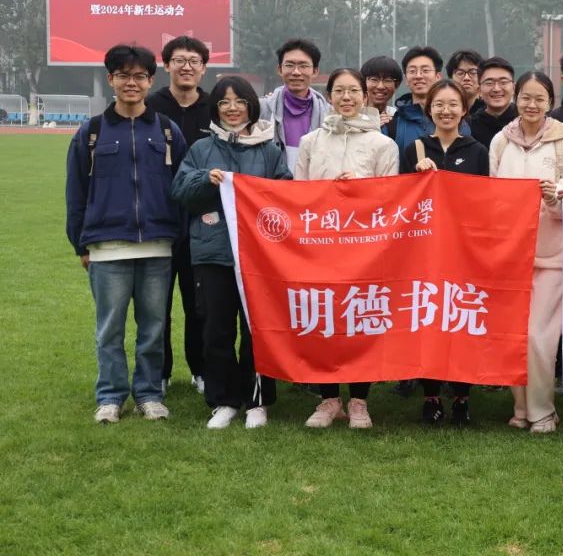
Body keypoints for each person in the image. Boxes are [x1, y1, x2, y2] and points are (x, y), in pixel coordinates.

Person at [66, 44, 189, 424]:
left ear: (151, 80)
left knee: (153, 329)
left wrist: (178, 236)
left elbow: (183, 188)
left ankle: (149, 394)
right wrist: (80, 244)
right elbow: (76, 193)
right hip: (107, 248)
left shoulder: (167, 131)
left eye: (139, 76)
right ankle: (110, 396)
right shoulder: (91, 132)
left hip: (157, 247)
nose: (131, 83)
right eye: (123, 75)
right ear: (111, 79)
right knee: (109, 331)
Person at [172, 76, 291, 429]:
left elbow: (285, 194)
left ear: (252, 105)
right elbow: (179, 190)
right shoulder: (201, 149)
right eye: (224, 102)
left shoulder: (269, 150)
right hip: (213, 253)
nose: (233, 108)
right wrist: (203, 180)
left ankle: (257, 401)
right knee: (216, 329)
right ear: (216, 108)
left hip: (259, 256)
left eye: (239, 101)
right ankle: (224, 400)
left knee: (258, 331)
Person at [294, 68, 399, 429]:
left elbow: (391, 198)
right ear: (329, 96)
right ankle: (328, 399)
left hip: (365, 249)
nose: (347, 97)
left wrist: (362, 188)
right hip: (320, 245)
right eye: (339, 91)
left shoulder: (382, 144)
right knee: (324, 319)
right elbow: (299, 194)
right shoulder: (311, 142)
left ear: (365, 96)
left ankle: (359, 400)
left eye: (354, 91)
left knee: (361, 321)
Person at [490, 70, 563, 433]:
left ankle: (543, 411)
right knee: (513, 334)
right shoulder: (501, 141)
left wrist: (554, 198)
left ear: (550, 102)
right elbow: (492, 196)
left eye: (539, 99)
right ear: (516, 99)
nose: (531, 105)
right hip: (511, 254)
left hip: (552, 255)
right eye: (525, 98)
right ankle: (521, 408)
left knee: (539, 338)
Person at [400, 79, 489, 425]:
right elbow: (400, 200)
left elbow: (485, 200)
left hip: (464, 250)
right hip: (425, 251)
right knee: (429, 321)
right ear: (429, 109)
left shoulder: (478, 151)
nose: (446, 111)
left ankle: (463, 397)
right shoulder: (415, 150)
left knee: (462, 321)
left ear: (464, 109)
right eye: (439, 104)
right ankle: (432, 396)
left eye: (453, 104)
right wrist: (418, 178)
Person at [146, 35, 212, 395]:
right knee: (156, 304)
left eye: (194, 61)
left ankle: (201, 369)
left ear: (203, 68)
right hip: (158, 220)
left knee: (198, 303)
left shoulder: (215, 107)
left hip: (202, 222)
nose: (186, 67)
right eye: (179, 60)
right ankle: (160, 371)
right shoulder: (150, 107)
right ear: (167, 65)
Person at [260, 38, 330, 171]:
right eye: (289, 65)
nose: (296, 72)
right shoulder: (262, 110)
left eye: (303, 66)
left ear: (315, 71)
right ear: (280, 69)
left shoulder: (329, 115)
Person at [389, 46, 471, 154]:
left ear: (438, 76)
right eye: (412, 71)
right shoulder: (394, 124)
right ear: (406, 79)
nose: (418, 76)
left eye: (425, 70)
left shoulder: (457, 122)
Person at [468, 57, 518, 149]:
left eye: (503, 82)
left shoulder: (525, 120)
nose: (496, 89)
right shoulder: (469, 126)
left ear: (514, 88)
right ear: (479, 90)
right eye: (489, 83)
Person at [361, 55, 403, 128]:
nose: (380, 86)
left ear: (397, 85)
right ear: (363, 83)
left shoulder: (397, 117)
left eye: (387, 80)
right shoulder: (352, 114)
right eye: (374, 79)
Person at [447, 49, 484, 116]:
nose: (466, 78)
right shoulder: (445, 112)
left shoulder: (489, 111)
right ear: (451, 78)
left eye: (473, 72)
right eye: (460, 73)